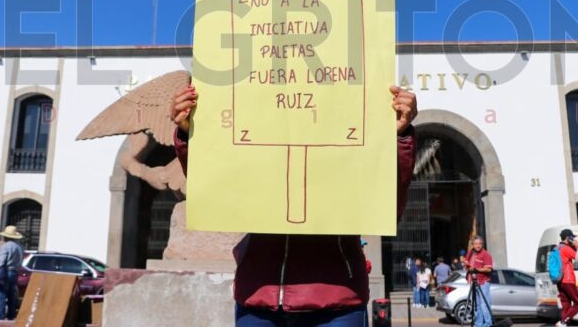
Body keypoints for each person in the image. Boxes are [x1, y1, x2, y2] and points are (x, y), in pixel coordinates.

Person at [171, 82, 418, 327]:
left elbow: (387, 201)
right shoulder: (256, 127)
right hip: (260, 295)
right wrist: (192, 134)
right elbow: (215, 185)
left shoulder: (346, 135)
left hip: (335, 300)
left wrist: (399, 136)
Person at [0, 225, 24, 321]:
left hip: (5, 272)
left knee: (1, 296)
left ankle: (0, 317)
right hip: (15, 273)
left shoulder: (6, 246)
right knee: (11, 296)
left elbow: (1, 261)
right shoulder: (20, 247)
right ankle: (11, 316)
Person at [462, 236, 493, 327]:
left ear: (482, 244)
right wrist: (468, 267)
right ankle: (478, 324)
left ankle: (488, 324)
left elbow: (489, 269)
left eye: (479, 244)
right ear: (473, 245)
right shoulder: (470, 253)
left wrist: (477, 269)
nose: (478, 246)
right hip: (473, 282)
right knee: (477, 305)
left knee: (484, 305)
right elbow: (466, 263)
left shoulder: (486, 255)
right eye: (476, 244)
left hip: (483, 282)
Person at [556, 229, 578, 327]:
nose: (573, 239)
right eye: (572, 237)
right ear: (568, 238)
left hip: (560, 281)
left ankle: (564, 324)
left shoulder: (557, 248)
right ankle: (563, 322)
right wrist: (577, 246)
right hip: (568, 280)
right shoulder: (566, 249)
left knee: (566, 306)